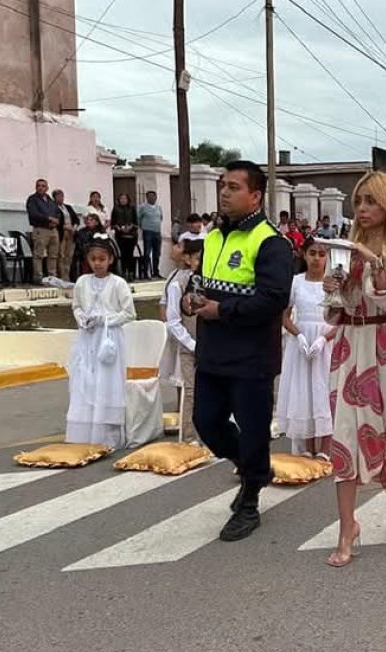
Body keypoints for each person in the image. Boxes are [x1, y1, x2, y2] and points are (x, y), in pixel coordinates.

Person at [185, 161, 294, 542]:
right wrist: (191, 300)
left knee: (252, 432)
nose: (225, 193)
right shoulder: (213, 237)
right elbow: (202, 283)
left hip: (251, 358)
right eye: (222, 186)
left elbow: (274, 300)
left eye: (233, 187)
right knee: (207, 421)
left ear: (255, 196)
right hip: (213, 353)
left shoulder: (271, 243)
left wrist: (223, 310)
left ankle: (249, 501)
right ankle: (255, 470)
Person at [319, 170, 386, 567]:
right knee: (344, 435)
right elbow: (334, 309)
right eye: (358, 201)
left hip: (384, 347)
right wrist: (332, 285)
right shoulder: (342, 248)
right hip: (348, 347)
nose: (362, 209)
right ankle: (347, 527)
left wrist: (375, 261)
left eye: (371, 201)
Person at [66, 238, 137, 449]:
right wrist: (83, 319)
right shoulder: (82, 282)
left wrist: (105, 320)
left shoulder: (118, 284)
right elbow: (77, 306)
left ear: (110, 260)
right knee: (85, 379)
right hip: (88, 337)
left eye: (102, 259)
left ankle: (108, 433)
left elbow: (129, 313)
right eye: (93, 259)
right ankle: (85, 430)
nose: (98, 263)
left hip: (109, 339)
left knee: (107, 381)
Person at [277, 237, 333, 459]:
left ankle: (326, 447)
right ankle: (308, 445)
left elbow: (341, 318)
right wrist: (298, 335)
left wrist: (323, 339)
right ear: (304, 254)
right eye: (312, 253)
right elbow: (285, 316)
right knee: (304, 391)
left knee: (324, 390)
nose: (317, 259)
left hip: (325, 341)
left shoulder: (333, 283)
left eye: (321, 254)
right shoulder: (295, 282)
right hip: (301, 343)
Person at [160, 239, 201, 444]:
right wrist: (193, 345)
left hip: (213, 345)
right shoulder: (178, 285)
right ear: (188, 259)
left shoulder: (214, 283)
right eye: (197, 258)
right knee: (191, 391)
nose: (201, 262)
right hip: (189, 346)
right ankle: (188, 437)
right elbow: (174, 321)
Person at [26, 179, 60, 283]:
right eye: (39, 186)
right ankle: (38, 277)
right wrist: (48, 218)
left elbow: (57, 212)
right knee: (39, 254)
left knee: (53, 255)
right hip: (40, 229)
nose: (41, 187)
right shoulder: (32, 199)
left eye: (43, 186)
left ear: (47, 188)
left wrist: (56, 221)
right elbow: (33, 214)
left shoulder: (50, 200)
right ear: (36, 187)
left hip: (53, 230)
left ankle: (52, 277)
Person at [109, 193, 138, 280]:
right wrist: (118, 227)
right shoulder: (116, 209)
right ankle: (123, 272)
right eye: (121, 198)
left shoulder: (132, 208)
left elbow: (136, 222)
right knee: (122, 254)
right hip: (120, 235)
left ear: (128, 199)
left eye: (125, 198)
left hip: (131, 235)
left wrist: (130, 227)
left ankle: (131, 273)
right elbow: (113, 223)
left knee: (130, 254)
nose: (123, 200)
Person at [53, 190, 80, 282]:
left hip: (71, 232)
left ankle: (67, 275)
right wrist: (65, 227)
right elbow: (56, 221)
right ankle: (62, 276)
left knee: (69, 255)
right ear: (54, 197)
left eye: (62, 196)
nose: (61, 198)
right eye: (58, 196)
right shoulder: (53, 207)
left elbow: (76, 219)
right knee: (61, 255)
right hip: (62, 232)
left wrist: (74, 227)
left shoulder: (68, 207)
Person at [72, 214, 109, 281]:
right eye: (88, 220)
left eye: (91, 220)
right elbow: (79, 244)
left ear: (97, 222)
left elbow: (105, 244)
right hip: (85, 254)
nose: (88, 221)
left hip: (99, 254)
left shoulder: (102, 231)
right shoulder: (81, 232)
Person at [138, 190, 165, 279]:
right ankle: (146, 272)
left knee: (157, 253)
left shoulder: (158, 207)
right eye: (149, 196)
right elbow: (138, 218)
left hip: (157, 232)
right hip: (147, 231)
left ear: (156, 197)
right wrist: (143, 227)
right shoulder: (143, 207)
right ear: (146, 197)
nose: (152, 198)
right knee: (147, 252)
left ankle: (156, 271)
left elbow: (161, 218)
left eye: (153, 196)